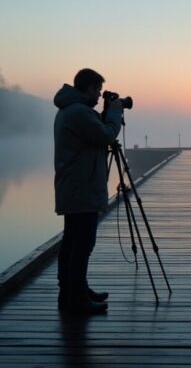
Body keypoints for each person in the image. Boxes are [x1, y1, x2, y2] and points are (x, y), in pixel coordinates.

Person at [54, 68, 123, 314]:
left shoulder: (73, 110)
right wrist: (114, 114)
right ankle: (75, 298)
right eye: (98, 90)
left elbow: (94, 135)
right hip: (81, 189)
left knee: (74, 242)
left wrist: (106, 113)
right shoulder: (78, 113)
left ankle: (75, 291)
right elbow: (105, 136)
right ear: (89, 88)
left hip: (75, 187)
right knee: (81, 244)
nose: (99, 96)